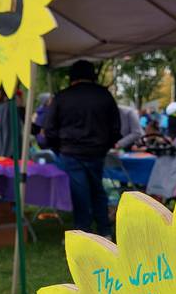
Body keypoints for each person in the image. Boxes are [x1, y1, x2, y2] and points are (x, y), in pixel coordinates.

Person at [43, 60, 121, 236]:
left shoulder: (62, 97)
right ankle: (104, 230)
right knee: (97, 191)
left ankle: (83, 232)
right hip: (96, 152)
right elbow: (116, 128)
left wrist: (59, 148)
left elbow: (49, 129)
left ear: (72, 77)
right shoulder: (104, 95)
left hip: (71, 152)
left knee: (80, 194)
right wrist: (104, 146)